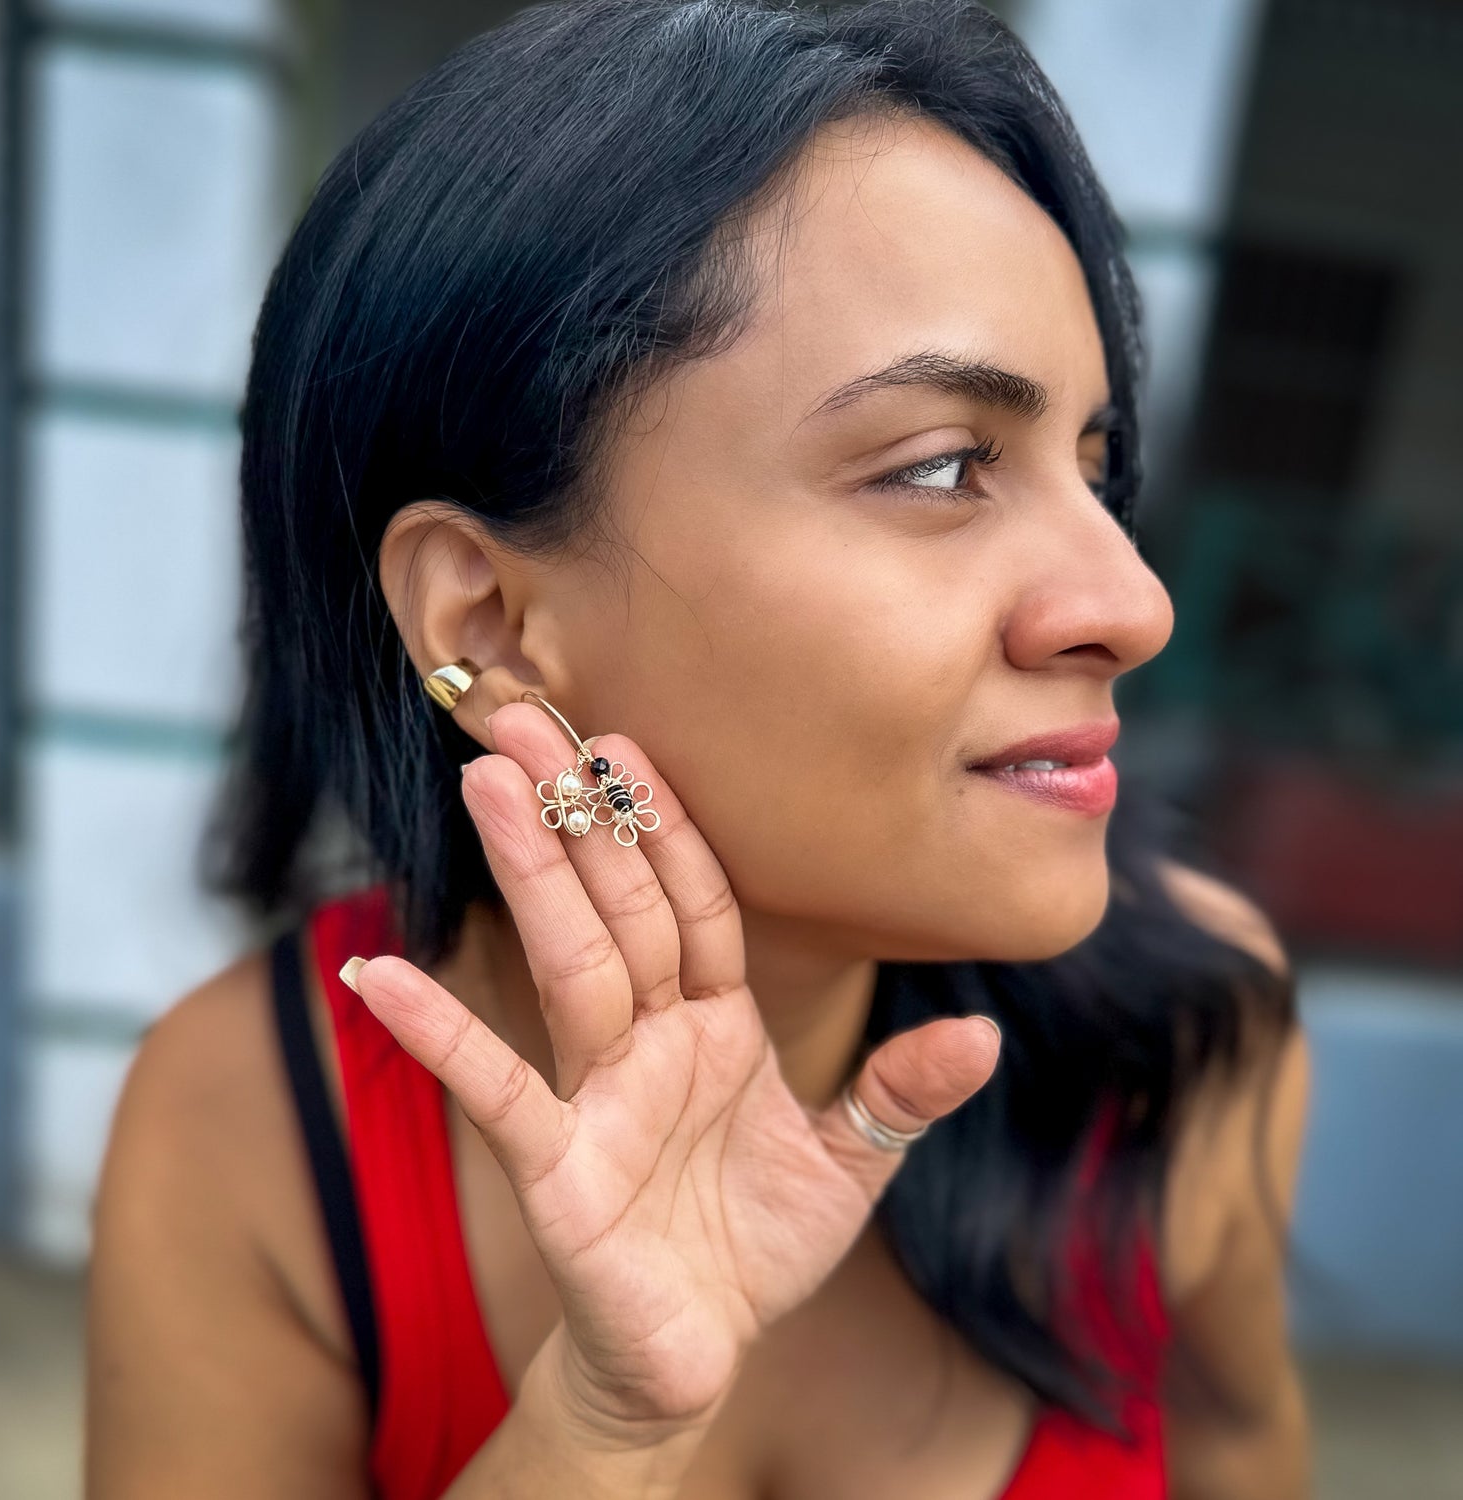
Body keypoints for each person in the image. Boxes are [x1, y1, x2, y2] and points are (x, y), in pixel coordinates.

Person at [84, 1, 1313, 1496]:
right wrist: (604, 1430)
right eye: (939, 467)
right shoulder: (259, 1126)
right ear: (494, 616)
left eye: (1096, 468)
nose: (1132, 603)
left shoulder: (1183, 1045)